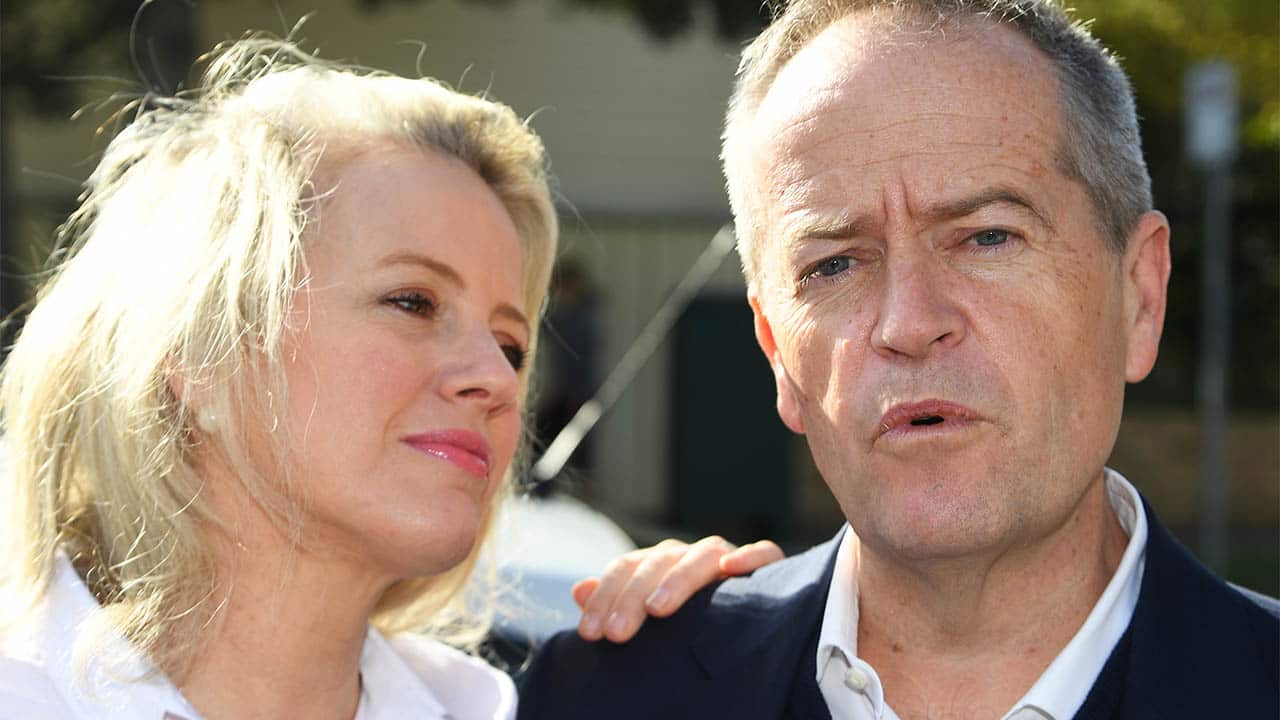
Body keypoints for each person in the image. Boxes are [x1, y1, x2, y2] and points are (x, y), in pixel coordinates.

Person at [519, 1, 1280, 718]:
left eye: (987, 237)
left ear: (1139, 295)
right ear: (777, 353)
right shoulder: (600, 695)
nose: (910, 323)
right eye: (835, 265)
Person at [0, 35, 779, 720]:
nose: (497, 381)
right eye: (413, 301)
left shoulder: (501, 707)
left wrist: (759, 667)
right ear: (198, 352)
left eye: (511, 345)